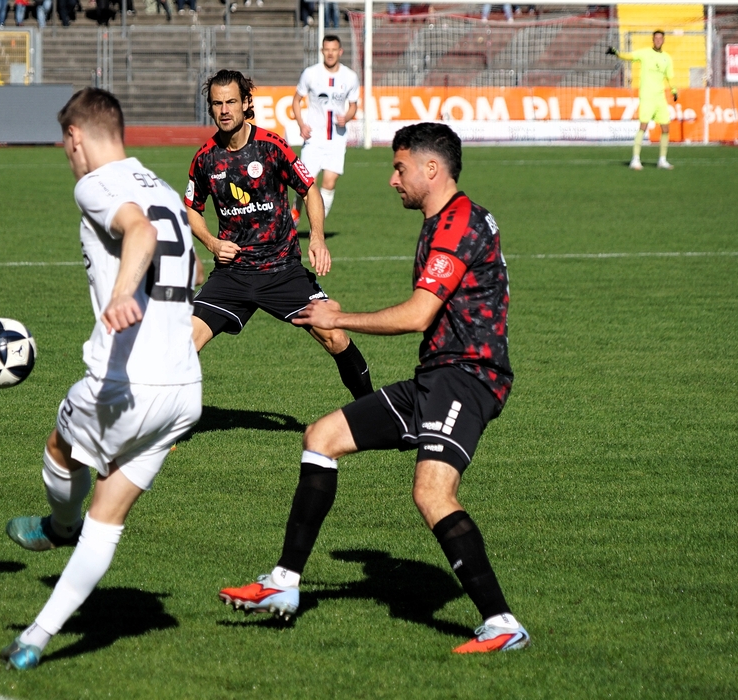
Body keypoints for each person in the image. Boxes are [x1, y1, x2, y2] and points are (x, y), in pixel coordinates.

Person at [219, 122, 531, 655]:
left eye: (399, 168)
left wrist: (338, 316)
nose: (393, 179)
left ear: (431, 169)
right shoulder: (444, 220)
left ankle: (502, 624)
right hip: (436, 376)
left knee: (432, 493)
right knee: (321, 438)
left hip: (468, 377)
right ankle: (284, 583)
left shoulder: (457, 222)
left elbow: (418, 315)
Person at [0, 88, 202, 671]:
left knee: (60, 448)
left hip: (124, 383)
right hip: (183, 389)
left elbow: (140, 233)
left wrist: (121, 295)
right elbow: (191, 268)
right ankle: (35, 638)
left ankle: (58, 526)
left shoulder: (95, 184)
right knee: (107, 516)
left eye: (65, 145)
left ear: (75, 137)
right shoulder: (164, 189)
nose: (68, 157)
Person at [185, 70, 374, 402]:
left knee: (335, 337)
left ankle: (373, 412)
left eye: (231, 102)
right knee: (183, 343)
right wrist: (212, 243)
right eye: (217, 103)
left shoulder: (271, 147)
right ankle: (169, 422)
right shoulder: (205, 158)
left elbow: (309, 190)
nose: (224, 110)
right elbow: (191, 208)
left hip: (282, 270)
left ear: (246, 103)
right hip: (232, 274)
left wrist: (317, 238)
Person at [292, 35, 359, 223]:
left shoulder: (350, 77)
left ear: (340, 51)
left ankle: (317, 226)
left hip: (336, 139)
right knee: (305, 183)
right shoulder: (311, 74)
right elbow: (296, 101)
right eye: (327, 50)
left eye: (334, 50)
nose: (330, 54)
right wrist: (301, 124)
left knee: (329, 183)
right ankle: (295, 214)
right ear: (322, 51)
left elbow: (353, 105)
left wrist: (346, 117)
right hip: (314, 139)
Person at [608, 30, 678, 170]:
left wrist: (674, 90)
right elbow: (629, 56)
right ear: (653, 40)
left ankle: (662, 160)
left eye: (660, 38)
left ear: (663, 40)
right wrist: (617, 53)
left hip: (660, 97)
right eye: (656, 38)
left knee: (665, 128)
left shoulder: (667, 58)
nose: (658, 40)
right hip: (647, 96)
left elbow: (670, 76)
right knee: (643, 126)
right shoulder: (645, 53)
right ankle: (635, 159)